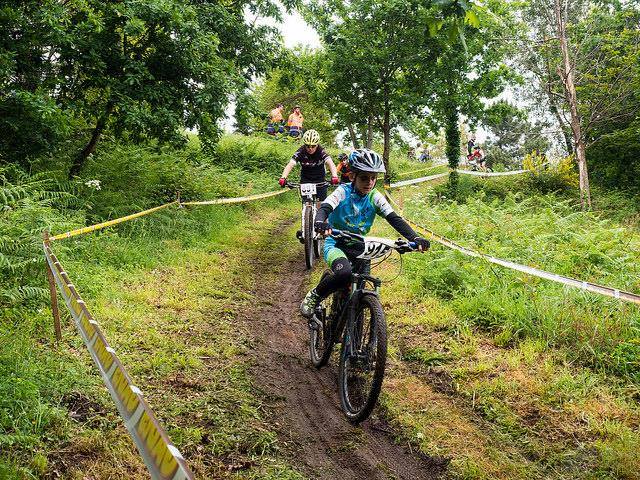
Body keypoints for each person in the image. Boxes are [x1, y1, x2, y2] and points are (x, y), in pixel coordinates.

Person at [299, 149, 430, 318]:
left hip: (360, 246)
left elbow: (394, 218)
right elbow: (325, 207)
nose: (369, 182)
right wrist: (320, 222)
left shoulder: (374, 196)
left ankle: (352, 326)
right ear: (353, 176)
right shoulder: (343, 191)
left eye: (373, 178)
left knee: (361, 284)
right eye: (364, 177)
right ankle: (315, 295)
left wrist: (414, 238)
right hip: (336, 243)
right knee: (344, 274)